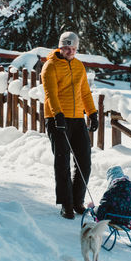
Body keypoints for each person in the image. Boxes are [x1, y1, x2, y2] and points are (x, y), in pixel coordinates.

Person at [41, 31, 98, 219]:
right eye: (66, 47)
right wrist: (58, 115)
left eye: (73, 48)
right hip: (57, 118)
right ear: (60, 47)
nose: (70, 51)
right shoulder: (50, 66)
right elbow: (51, 94)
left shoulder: (79, 66)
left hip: (77, 118)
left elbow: (85, 93)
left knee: (84, 161)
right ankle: (66, 203)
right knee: (63, 161)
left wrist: (92, 113)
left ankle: (77, 201)